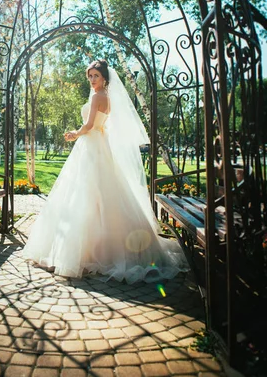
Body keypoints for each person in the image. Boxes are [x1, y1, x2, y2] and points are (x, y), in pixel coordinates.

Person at [23, 59, 188, 283]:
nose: (92, 80)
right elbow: (101, 125)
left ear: (104, 78)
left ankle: (85, 252)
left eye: (96, 76)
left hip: (91, 145)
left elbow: (90, 125)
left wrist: (74, 133)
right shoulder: (109, 98)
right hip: (99, 145)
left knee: (85, 193)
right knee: (103, 192)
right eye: (89, 76)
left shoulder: (97, 96)